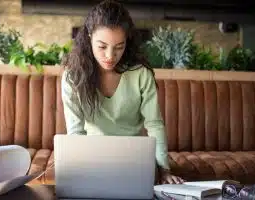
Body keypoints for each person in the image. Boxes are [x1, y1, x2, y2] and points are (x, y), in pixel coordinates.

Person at [61, 0, 184, 184]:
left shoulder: (140, 74)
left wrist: (165, 170)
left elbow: (154, 125)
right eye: (102, 46)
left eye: (119, 47)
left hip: (134, 159)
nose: (110, 56)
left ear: (127, 41)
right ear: (88, 37)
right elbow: (76, 132)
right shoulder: (73, 76)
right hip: (92, 159)